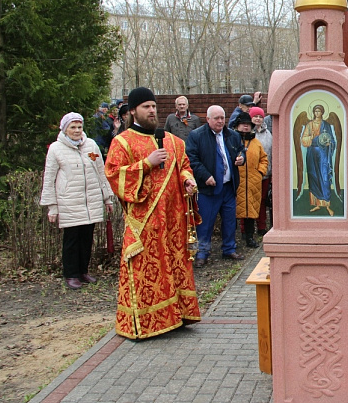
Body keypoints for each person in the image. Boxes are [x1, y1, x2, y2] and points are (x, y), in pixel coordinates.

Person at [104, 87, 201, 339]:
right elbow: (114, 175)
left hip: (173, 221)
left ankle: (177, 316)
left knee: (174, 267)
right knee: (148, 273)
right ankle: (148, 323)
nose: (151, 111)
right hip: (144, 224)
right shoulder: (122, 142)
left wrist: (188, 180)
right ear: (134, 110)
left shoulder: (172, 141)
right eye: (146, 107)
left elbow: (184, 166)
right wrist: (147, 163)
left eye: (154, 106)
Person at [41, 112, 114, 290]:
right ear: (65, 129)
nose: (76, 131)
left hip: (91, 200)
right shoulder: (56, 149)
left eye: (79, 127)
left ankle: (83, 271)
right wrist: (52, 207)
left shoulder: (91, 145)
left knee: (87, 238)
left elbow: (100, 170)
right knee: (72, 240)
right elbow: (49, 178)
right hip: (69, 201)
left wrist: (107, 197)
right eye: (72, 127)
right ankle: (71, 274)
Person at [186, 105, 246, 267]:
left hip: (228, 187)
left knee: (229, 221)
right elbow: (192, 159)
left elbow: (240, 151)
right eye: (216, 118)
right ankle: (202, 253)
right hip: (208, 189)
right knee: (205, 222)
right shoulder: (197, 136)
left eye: (222, 118)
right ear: (208, 119)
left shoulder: (232, 135)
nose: (220, 121)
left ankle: (229, 249)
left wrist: (241, 158)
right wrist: (205, 176)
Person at [233, 113, 268, 249]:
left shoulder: (256, 143)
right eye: (243, 124)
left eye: (248, 124)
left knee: (251, 211)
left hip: (253, 181)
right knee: (234, 211)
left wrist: (260, 172)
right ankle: (231, 241)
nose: (246, 126)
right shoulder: (231, 141)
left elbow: (264, 159)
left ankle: (249, 237)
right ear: (237, 126)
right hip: (237, 181)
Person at [300, 104, 338, 216]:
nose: (317, 113)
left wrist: (329, 144)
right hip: (312, 153)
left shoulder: (326, 125)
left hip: (323, 154)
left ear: (322, 112)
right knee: (313, 176)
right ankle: (316, 204)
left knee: (324, 177)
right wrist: (311, 137)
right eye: (315, 111)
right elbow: (303, 140)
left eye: (319, 111)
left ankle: (327, 205)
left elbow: (332, 141)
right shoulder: (309, 124)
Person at [250, 106, 273, 236]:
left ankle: (261, 226)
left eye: (260, 116)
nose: (258, 119)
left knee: (263, 200)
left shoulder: (267, 133)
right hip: (250, 174)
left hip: (265, 173)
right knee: (250, 200)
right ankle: (246, 229)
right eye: (255, 116)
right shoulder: (247, 132)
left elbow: (271, 151)